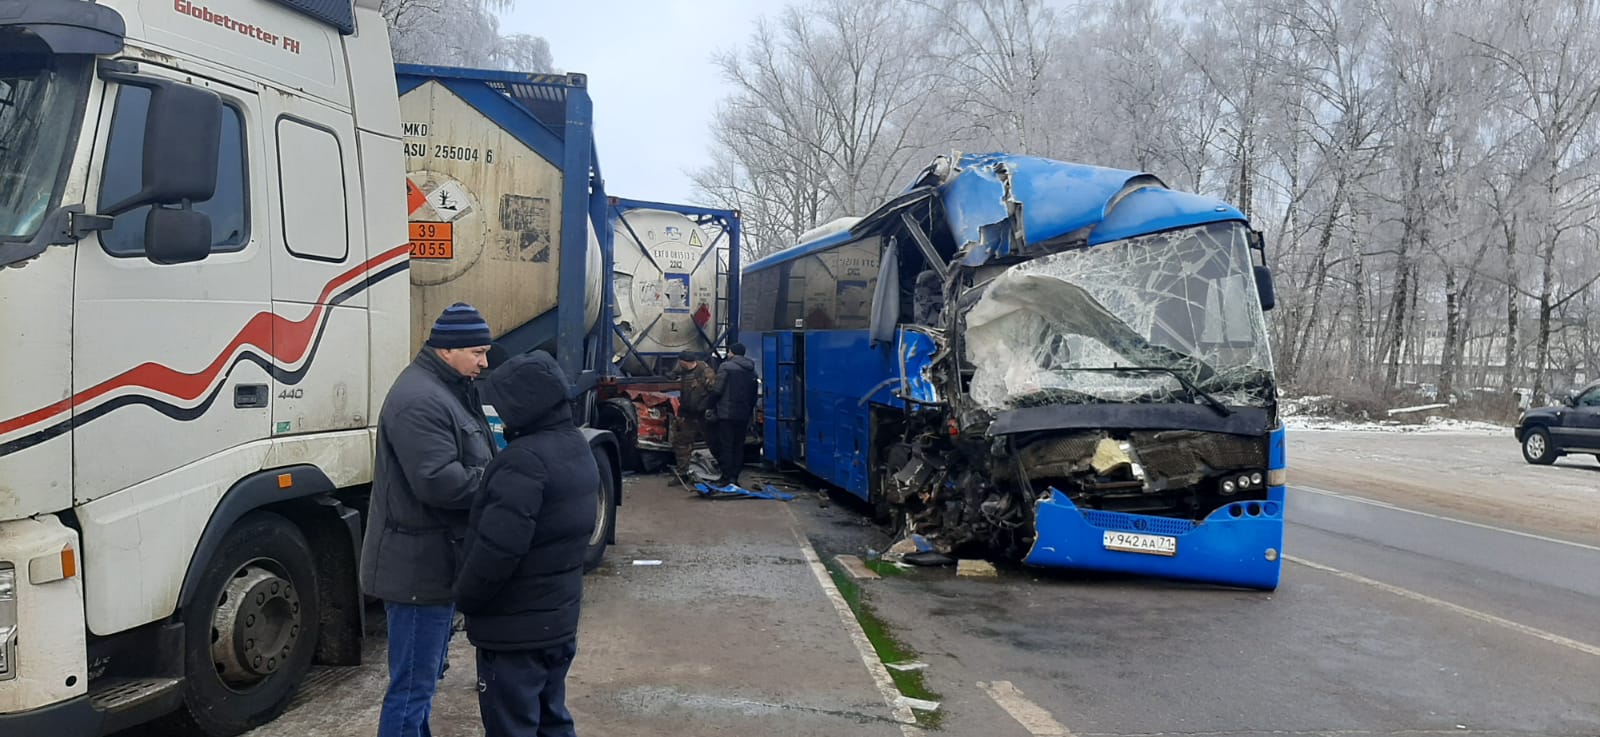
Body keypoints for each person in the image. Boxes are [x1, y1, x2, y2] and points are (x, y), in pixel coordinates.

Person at [360, 302, 496, 737]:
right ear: (447, 350)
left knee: (421, 683)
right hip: (417, 570)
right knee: (412, 689)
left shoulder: (448, 390)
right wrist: (504, 482)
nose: (484, 362)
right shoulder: (420, 399)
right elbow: (439, 483)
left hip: (433, 562)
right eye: (477, 352)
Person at [453, 350, 598, 737]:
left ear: (522, 405)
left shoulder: (522, 461)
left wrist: (465, 598)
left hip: (515, 631)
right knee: (552, 720)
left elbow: (497, 551)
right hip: (557, 621)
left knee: (511, 726)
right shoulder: (576, 446)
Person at [711, 343, 758, 486]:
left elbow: (717, 391)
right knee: (738, 446)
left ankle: (725, 477)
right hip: (743, 414)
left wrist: (711, 406)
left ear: (732, 353)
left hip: (726, 414)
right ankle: (734, 478)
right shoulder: (752, 371)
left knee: (726, 446)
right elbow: (753, 396)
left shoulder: (726, 367)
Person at [670, 350, 717, 483]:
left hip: (703, 414)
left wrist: (708, 407)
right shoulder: (684, 370)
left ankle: (727, 473)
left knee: (713, 442)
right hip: (688, 414)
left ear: (684, 362)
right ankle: (682, 473)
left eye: (680, 362)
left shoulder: (705, 371)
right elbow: (675, 374)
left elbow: (715, 391)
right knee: (681, 443)